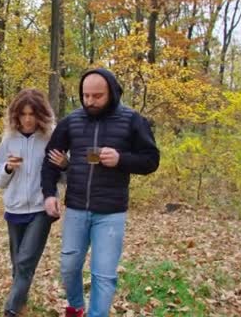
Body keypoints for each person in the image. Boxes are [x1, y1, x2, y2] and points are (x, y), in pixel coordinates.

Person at [41, 68, 160, 317]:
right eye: (85, 96)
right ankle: (76, 307)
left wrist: (121, 159)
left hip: (111, 213)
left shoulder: (131, 120)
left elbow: (151, 160)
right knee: (69, 267)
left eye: (97, 96)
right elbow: (51, 159)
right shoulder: (71, 122)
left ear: (112, 93)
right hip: (76, 209)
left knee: (103, 275)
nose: (90, 102)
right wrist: (49, 193)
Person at [0, 88, 67, 317]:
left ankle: (11, 310)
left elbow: (64, 178)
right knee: (18, 265)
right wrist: (7, 168)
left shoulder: (50, 137)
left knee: (25, 261)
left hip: (40, 208)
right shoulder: (9, 140)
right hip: (13, 209)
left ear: (41, 115)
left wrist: (65, 164)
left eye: (32, 114)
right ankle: (21, 304)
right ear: (16, 115)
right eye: (23, 114)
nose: (27, 119)